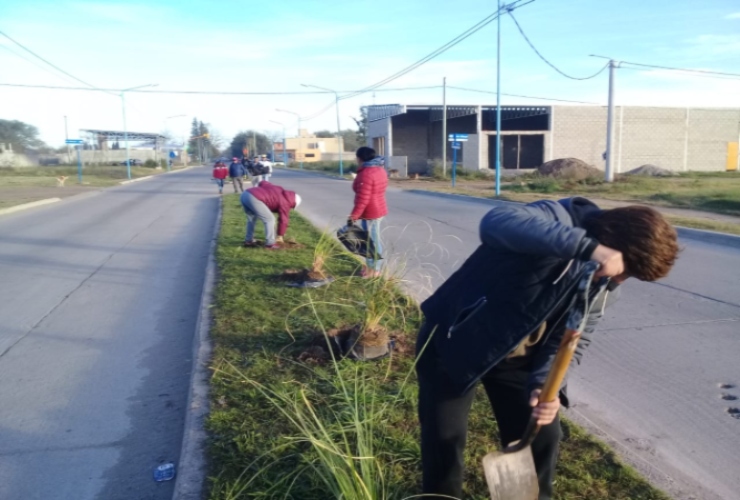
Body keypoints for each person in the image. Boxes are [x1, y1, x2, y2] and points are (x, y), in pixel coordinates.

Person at [416, 198, 679, 500]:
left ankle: (521, 496)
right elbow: (496, 223)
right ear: (611, 241)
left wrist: (544, 383)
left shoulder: (605, 284)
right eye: (626, 270)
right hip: (457, 339)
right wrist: (589, 249)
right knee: (445, 438)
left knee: (541, 435)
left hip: (516, 360)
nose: (619, 279)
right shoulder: (559, 217)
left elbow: (569, 340)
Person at [348, 146, 388, 278]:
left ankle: (374, 271)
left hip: (370, 212)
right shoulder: (379, 169)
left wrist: (353, 216)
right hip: (378, 209)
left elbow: (363, 199)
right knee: (371, 241)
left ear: (360, 158)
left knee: (372, 243)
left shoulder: (366, 173)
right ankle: (371, 268)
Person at [241, 180, 301, 249]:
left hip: (246, 194)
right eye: (293, 207)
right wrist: (280, 235)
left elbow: (263, 182)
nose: (291, 208)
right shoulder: (286, 203)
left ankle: (249, 240)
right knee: (270, 219)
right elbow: (283, 220)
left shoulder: (279, 189)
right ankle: (270, 244)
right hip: (254, 198)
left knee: (251, 219)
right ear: (293, 203)